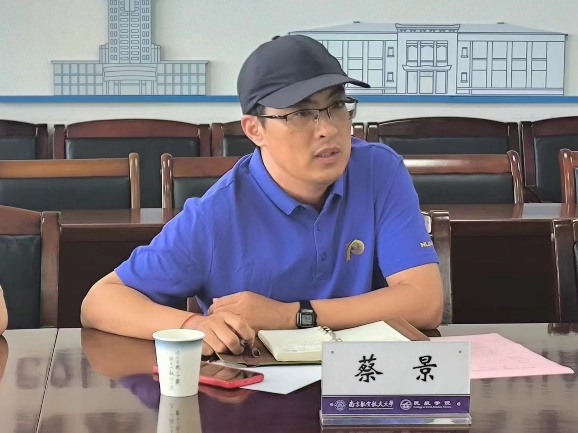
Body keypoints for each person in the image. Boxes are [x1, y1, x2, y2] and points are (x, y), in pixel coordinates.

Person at [81, 35, 443, 355]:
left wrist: (292, 315)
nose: (328, 129)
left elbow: (425, 303)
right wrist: (193, 325)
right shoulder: (217, 215)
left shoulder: (378, 170)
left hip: (362, 389)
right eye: (302, 113)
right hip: (256, 393)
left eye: (336, 106)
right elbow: (100, 301)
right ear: (255, 129)